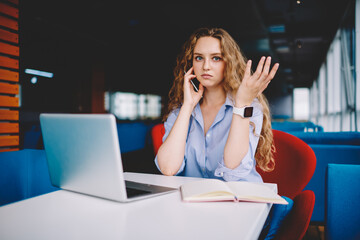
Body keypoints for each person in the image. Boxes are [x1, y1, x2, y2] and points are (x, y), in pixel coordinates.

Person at [154, 27, 279, 182]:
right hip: (195, 200)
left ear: (229, 63)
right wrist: (187, 107)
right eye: (199, 58)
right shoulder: (181, 110)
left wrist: (241, 105)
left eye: (216, 58)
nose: (206, 66)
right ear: (191, 63)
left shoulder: (249, 107)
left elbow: (231, 172)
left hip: (239, 199)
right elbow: (168, 168)